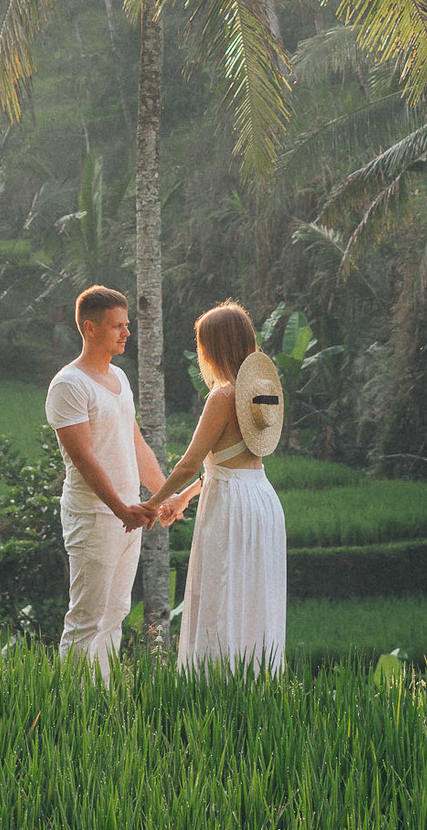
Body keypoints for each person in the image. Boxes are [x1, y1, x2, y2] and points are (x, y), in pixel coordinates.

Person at [138, 302, 287, 674]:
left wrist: (150, 504)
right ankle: (255, 683)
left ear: (214, 348)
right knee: (253, 598)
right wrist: (181, 498)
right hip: (261, 499)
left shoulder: (222, 397)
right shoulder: (261, 393)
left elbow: (190, 463)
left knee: (222, 594)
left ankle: (215, 688)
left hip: (231, 507)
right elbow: (227, 465)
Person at [46, 285, 169, 678]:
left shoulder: (118, 378)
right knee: (86, 619)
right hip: (94, 518)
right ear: (90, 328)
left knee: (115, 615)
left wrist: (162, 496)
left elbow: (135, 444)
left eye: (127, 325)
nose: (126, 333)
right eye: (117, 326)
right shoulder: (69, 385)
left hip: (128, 515)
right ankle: (69, 708)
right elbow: (83, 458)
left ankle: (100, 703)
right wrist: (121, 510)